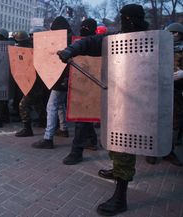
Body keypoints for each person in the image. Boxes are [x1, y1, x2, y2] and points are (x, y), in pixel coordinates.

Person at [57, 4, 149, 216]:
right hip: (117, 96)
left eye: (124, 18)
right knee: (114, 139)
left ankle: (121, 196)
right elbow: (93, 41)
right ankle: (117, 170)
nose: (122, 21)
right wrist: (72, 49)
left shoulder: (150, 39)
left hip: (138, 101)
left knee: (125, 145)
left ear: (132, 20)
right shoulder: (118, 38)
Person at [145, 23, 183, 166]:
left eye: (175, 34)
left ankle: (168, 150)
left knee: (174, 123)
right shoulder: (158, 48)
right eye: (170, 34)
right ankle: (152, 151)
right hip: (157, 90)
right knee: (153, 121)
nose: (173, 37)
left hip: (176, 91)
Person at [63, 18, 99, 165]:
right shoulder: (79, 43)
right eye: (82, 26)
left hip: (95, 84)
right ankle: (92, 141)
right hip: (81, 83)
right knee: (83, 117)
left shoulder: (99, 42)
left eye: (86, 27)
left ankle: (76, 152)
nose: (83, 29)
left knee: (81, 118)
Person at [31, 16, 71, 148]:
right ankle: (63, 129)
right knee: (59, 105)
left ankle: (48, 138)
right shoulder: (70, 39)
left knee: (51, 106)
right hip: (64, 78)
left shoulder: (61, 40)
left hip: (60, 78)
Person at [14, 30, 48, 137]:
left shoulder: (29, 50)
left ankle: (27, 129)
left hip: (33, 83)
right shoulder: (34, 48)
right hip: (37, 83)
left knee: (23, 105)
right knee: (38, 104)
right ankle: (44, 121)